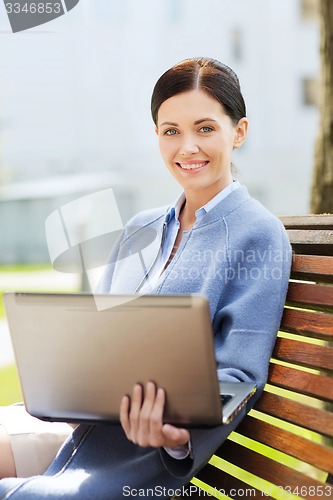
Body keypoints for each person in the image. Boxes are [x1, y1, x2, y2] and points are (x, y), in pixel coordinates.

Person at [0, 57, 292, 498]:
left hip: (140, 456)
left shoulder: (257, 234)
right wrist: (66, 385)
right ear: (157, 136)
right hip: (82, 429)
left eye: (205, 128)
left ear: (239, 131)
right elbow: (99, 336)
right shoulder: (141, 226)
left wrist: (178, 440)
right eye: (171, 131)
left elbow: (240, 371)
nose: (187, 147)